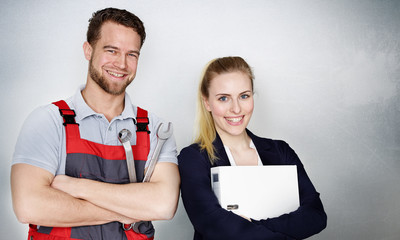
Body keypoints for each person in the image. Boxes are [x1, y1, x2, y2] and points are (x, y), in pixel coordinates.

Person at [11, 8, 180, 240]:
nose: (121, 63)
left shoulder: (156, 130)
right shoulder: (48, 121)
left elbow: (163, 205)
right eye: (112, 50)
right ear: (88, 50)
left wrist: (77, 187)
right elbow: (29, 205)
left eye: (132, 54)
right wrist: (129, 209)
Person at [178, 56, 327, 240]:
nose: (236, 109)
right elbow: (213, 224)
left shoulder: (280, 151)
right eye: (224, 98)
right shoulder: (193, 158)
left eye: (244, 96)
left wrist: (254, 224)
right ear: (207, 102)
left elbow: (315, 215)